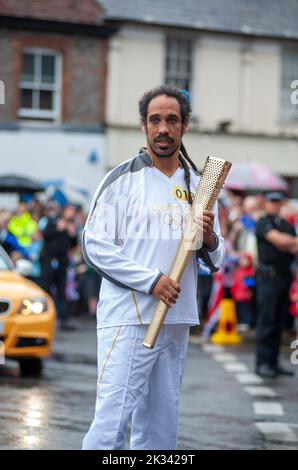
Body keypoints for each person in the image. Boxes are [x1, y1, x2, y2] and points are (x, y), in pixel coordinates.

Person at [81, 85, 225, 450]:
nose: (163, 128)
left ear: (185, 126)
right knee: (113, 420)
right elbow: (94, 246)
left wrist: (208, 239)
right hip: (129, 317)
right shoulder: (121, 180)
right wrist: (151, 281)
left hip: (176, 318)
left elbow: (217, 259)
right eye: (155, 120)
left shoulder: (199, 185)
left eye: (172, 120)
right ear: (144, 126)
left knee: (161, 425)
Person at [255, 191, 298, 378]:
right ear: (266, 203)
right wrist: (288, 243)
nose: (275, 205)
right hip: (269, 277)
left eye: (278, 202)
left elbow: (291, 245)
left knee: (278, 322)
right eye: (272, 201)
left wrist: (288, 243)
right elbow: (278, 241)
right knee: (267, 320)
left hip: (284, 276)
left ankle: (273, 361)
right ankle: (262, 362)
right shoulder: (264, 222)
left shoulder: (285, 224)